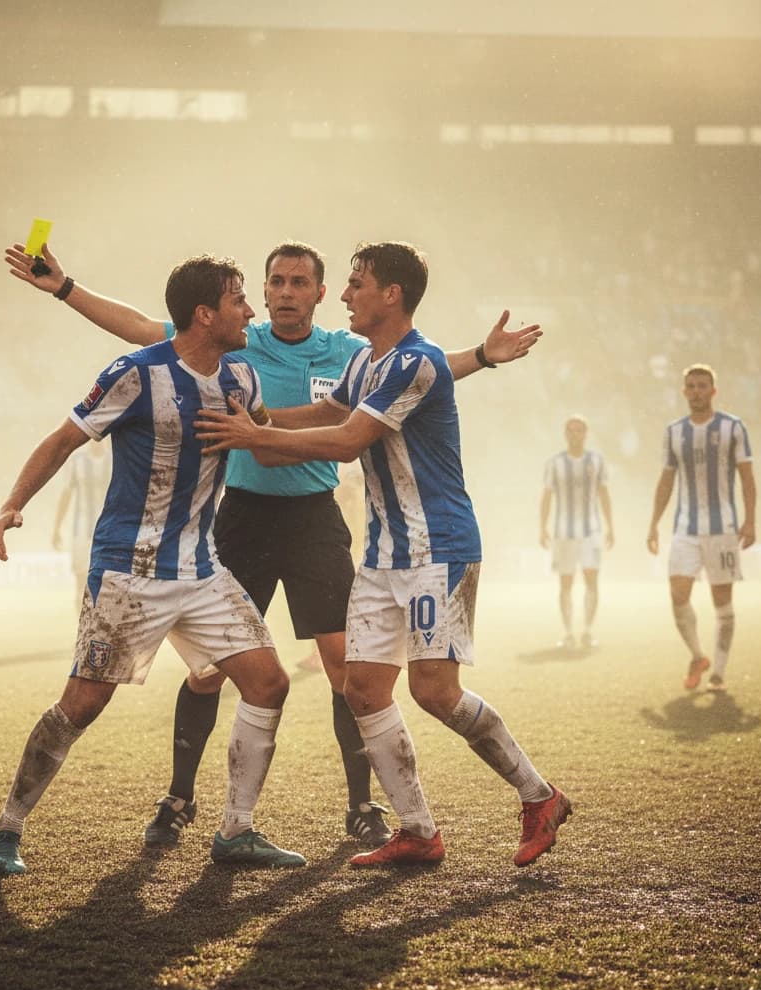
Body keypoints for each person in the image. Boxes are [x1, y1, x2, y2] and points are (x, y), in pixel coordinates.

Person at [4, 239, 542, 851]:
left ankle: (364, 806)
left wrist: (482, 356)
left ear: (316, 293)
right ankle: (182, 798)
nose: (285, 294)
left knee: (348, 672)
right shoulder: (237, 346)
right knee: (212, 674)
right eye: (273, 283)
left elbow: (410, 375)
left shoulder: (351, 349)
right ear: (255, 295)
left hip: (317, 521)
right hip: (242, 518)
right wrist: (67, 288)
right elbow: (145, 328)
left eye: (303, 282)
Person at [195, 241, 572, 869]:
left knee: (435, 692)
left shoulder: (413, 363)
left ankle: (539, 795)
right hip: (384, 555)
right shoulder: (370, 361)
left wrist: (255, 436)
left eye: (354, 284)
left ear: (390, 294)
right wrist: (252, 417)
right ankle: (419, 831)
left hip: (439, 550)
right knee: (362, 689)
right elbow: (325, 411)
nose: (343, 295)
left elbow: (347, 442)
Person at [0, 254, 306, 876]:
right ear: (205, 313)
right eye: (240, 299)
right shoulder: (134, 373)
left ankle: (236, 830)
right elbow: (62, 440)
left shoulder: (242, 376)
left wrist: (304, 436)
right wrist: (11, 505)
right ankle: (7, 828)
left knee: (269, 683)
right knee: (81, 704)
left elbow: (263, 440)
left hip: (201, 571)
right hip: (129, 574)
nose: (253, 310)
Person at [646, 364, 756, 692]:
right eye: (691, 386)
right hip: (685, 529)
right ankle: (698, 655)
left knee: (722, 601)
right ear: (684, 392)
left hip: (724, 528)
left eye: (702, 385)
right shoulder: (674, 431)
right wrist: (653, 523)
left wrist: (751, 519)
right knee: (678, 593)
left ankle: (718, 673)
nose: (697, 391)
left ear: (713, 390)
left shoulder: (733, 427)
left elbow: (747, 477)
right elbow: (666, 481)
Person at [539, 415, 614, 649]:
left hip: (591, 531)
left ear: (586, 433)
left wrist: (611, 526)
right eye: (571, 431)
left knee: (592, 579)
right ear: (565, 434)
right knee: (566, 582)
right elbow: (547, 496)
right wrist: (543, 527)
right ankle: (569, 632)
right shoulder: (555, 463)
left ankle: (588, 631)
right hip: (563, 532)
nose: (575, 435)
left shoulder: (596, 460)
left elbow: (603, 493)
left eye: (579, 430)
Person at [52, 443, 112, 610]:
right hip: (82, 529)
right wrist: (57, 527)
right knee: (81, 579)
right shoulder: (77, 460)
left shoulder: (113, 459)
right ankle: (81, 623)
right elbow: (67, 493)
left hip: (108, 529)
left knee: (106, 579)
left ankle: (100, 621)